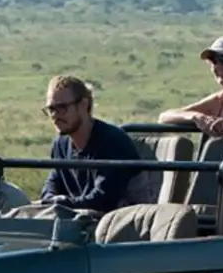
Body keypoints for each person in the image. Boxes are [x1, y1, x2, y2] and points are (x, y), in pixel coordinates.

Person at [38, 74, 146, 214]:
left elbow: (103, 199)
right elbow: (53, 182)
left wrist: (62, 203)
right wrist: (51, 199)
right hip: (81, 219)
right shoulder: (61, 144)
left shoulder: (112, 141)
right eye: (51, 109)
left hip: (119, 221)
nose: (55, 116)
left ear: (83, 105)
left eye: (62, 108)